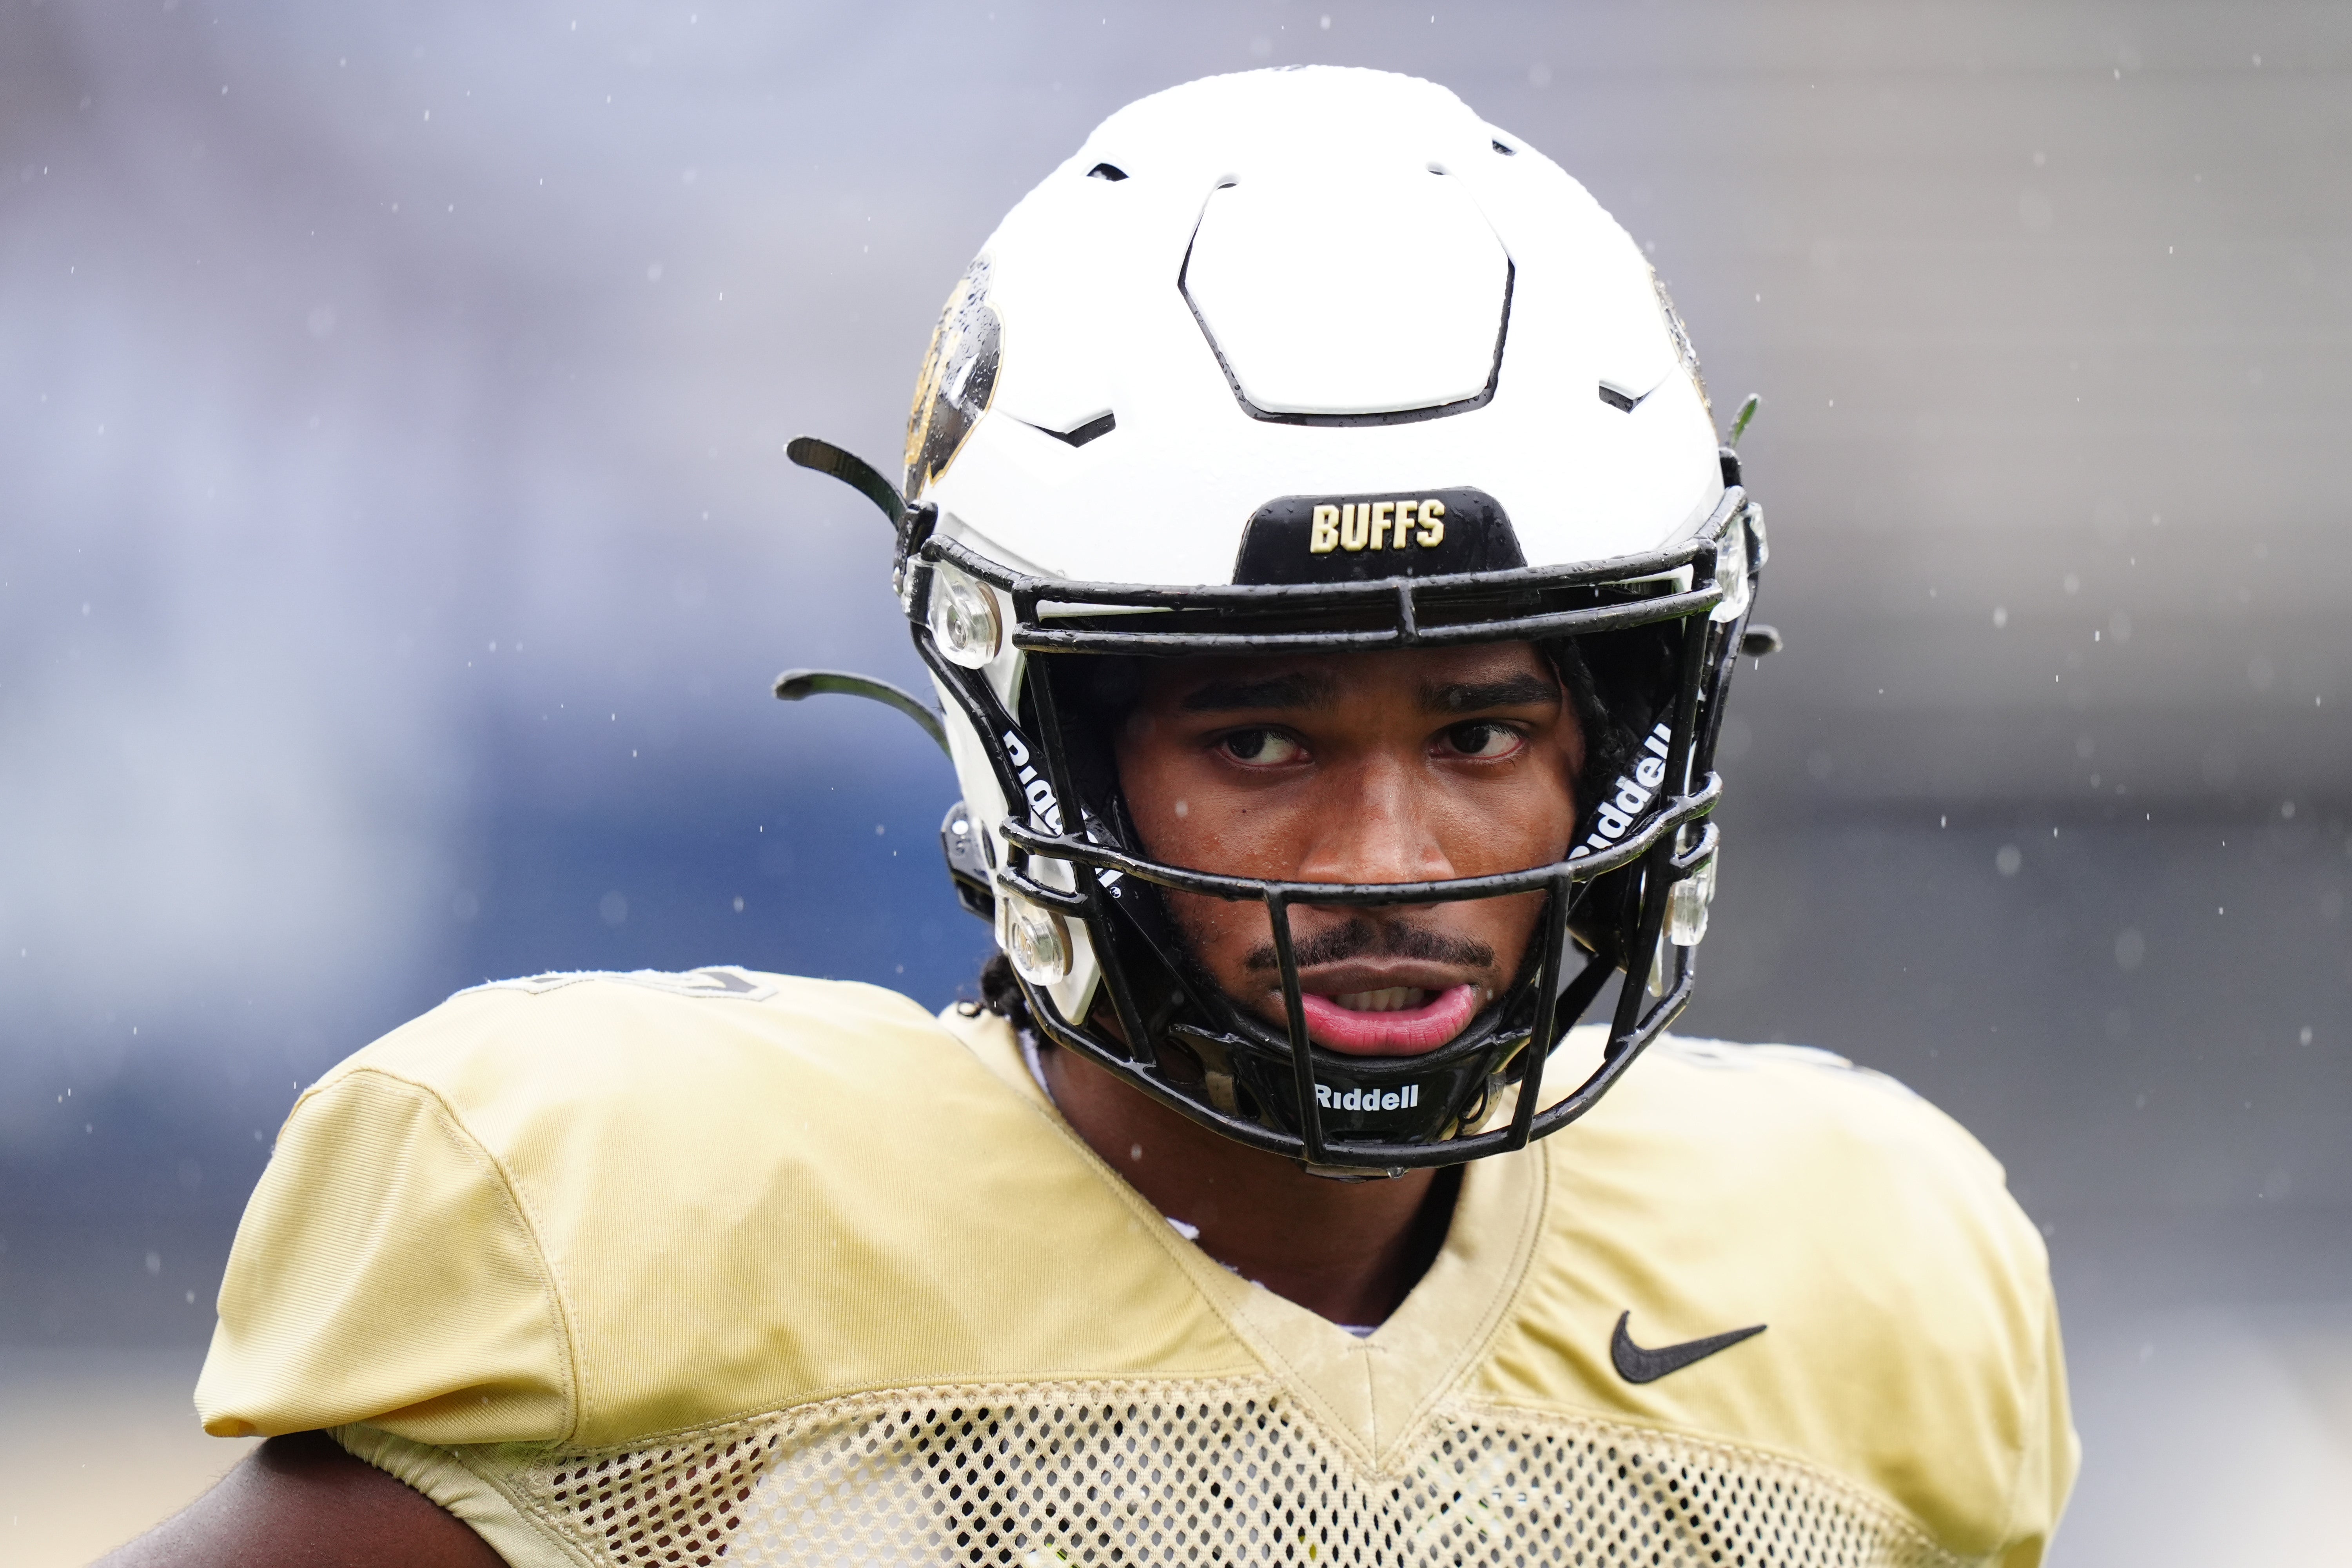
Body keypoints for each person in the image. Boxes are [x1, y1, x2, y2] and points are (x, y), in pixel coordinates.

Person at [105, 67, 2076, 1568]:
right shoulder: (642, 1251)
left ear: (1624, 738)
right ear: (1046, 738)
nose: (1388, 861)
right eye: (1266, 742)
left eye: (1478, 734)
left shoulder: (1859, 1283)